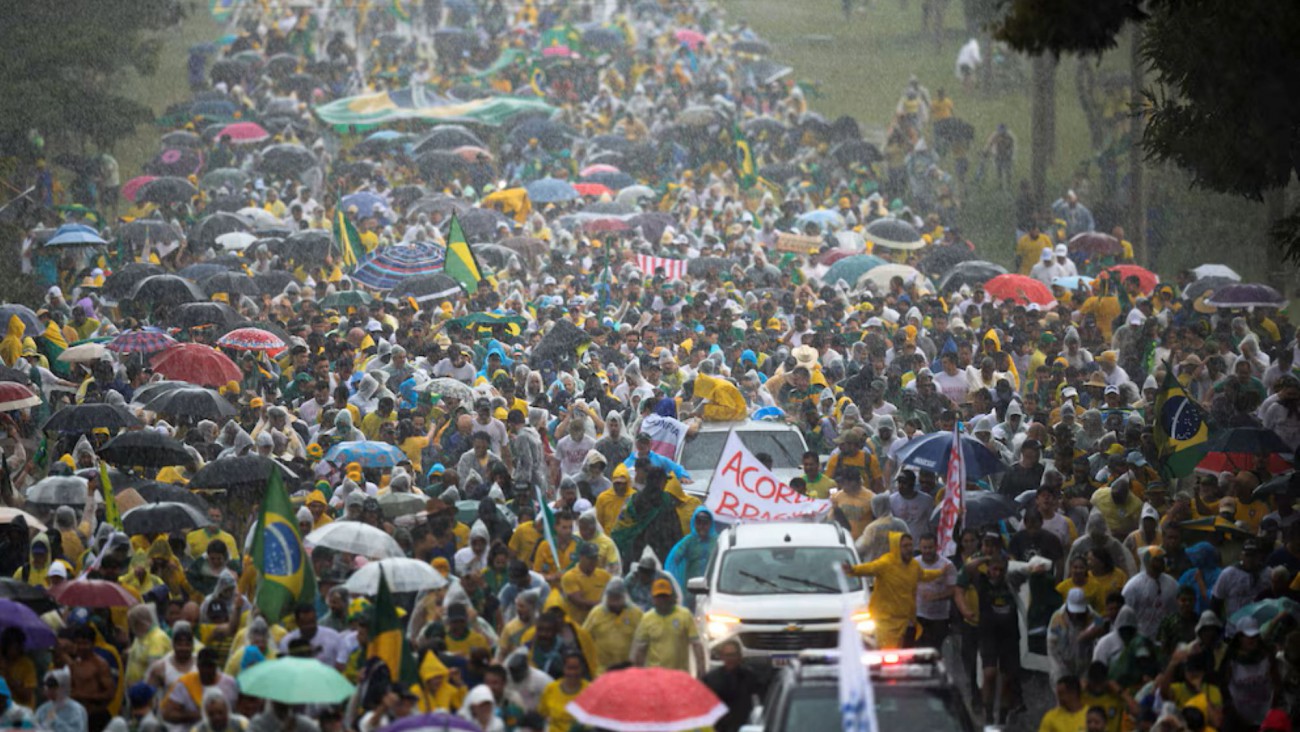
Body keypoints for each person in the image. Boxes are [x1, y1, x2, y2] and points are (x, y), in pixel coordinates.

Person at [844, 533, 948, 649]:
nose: (909, 549)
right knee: (888, 657)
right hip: (886, 622)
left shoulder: (913, 565)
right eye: (905, 546)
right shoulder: (886, 563)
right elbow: (870, 568)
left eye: (910, 545)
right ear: (896, 547)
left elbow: (923, 574)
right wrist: (852, 570)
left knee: (907, 656)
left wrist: (940, 572)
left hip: (906, 621)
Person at [631, 579, 705, 673]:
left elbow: (697, 645)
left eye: (665, 596)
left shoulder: (685, 616)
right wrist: (638, 674)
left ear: (671, 597)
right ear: (653, 598)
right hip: (655, 677)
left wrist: (701, 672)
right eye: (659, 596)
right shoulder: (647, 619)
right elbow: (639, 651)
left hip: (679, 676)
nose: (662, 600)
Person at [703, 640, 763, 732]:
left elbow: (760, 701)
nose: (730, 659)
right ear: (722, 657)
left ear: (740, 656)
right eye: (727, 655)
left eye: (733, 655)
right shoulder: (711, 679)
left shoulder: (750, 677)